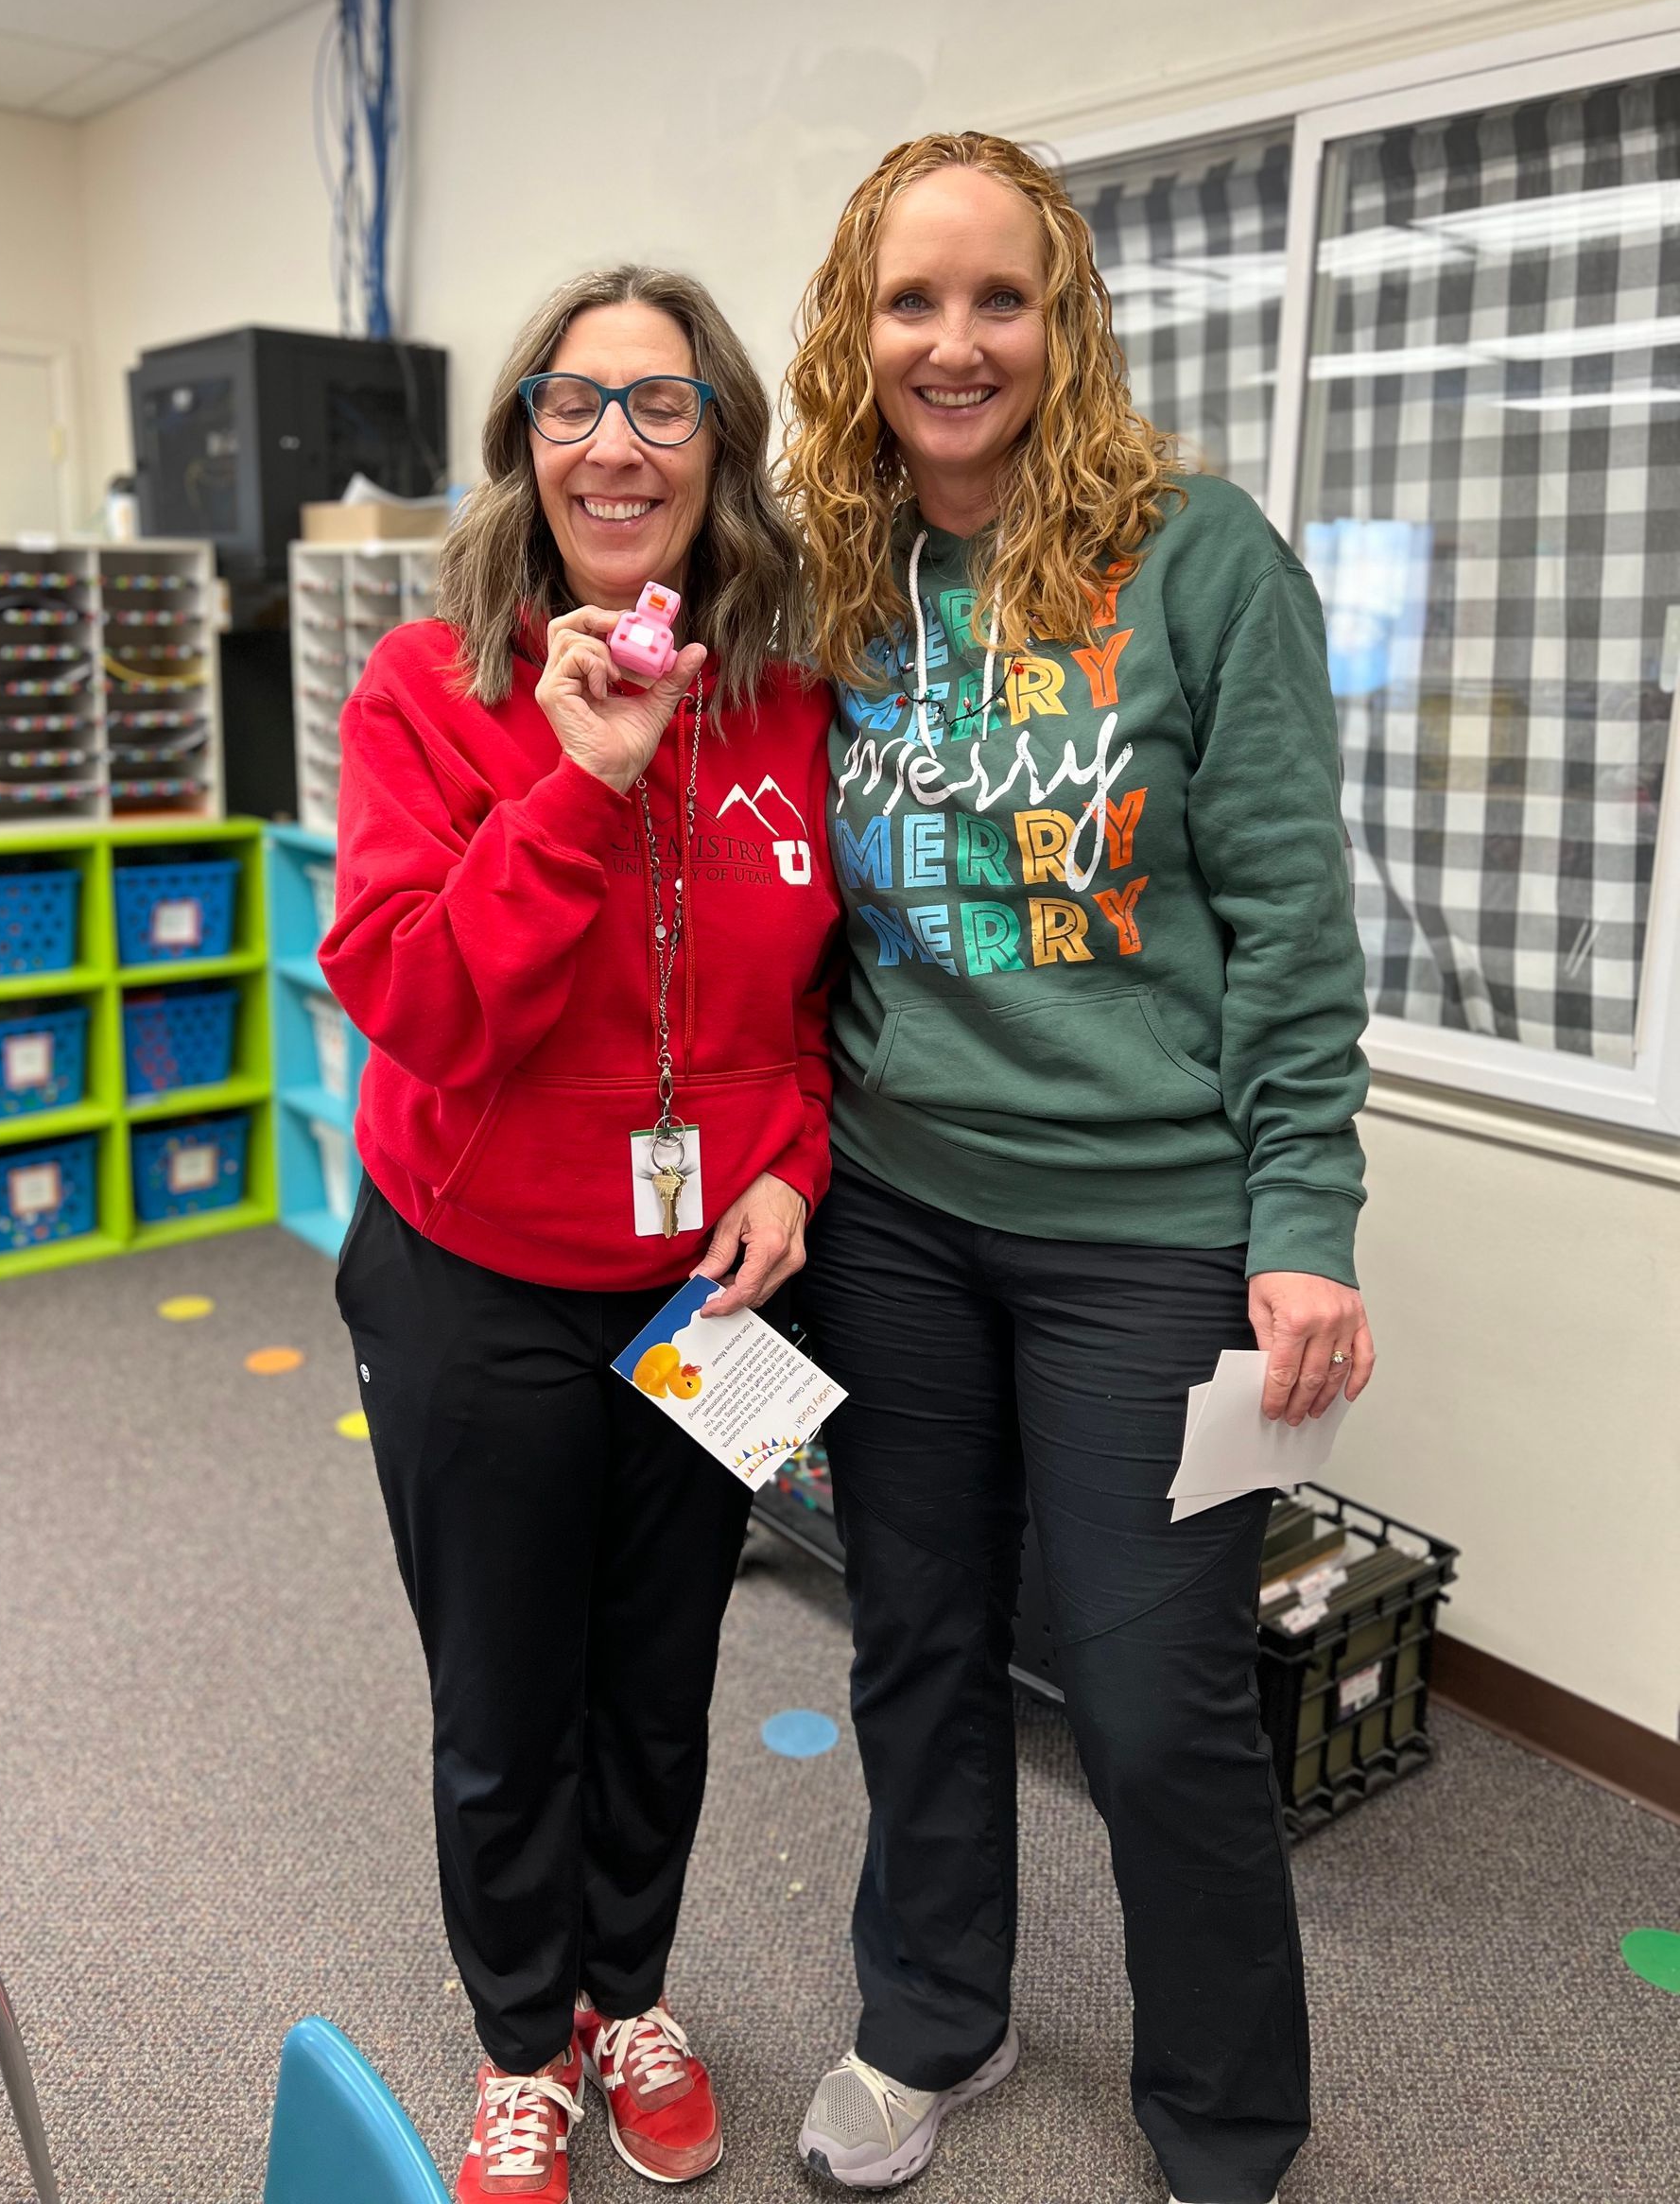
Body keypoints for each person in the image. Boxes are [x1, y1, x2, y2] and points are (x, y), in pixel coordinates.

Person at [779, 132, 1375, 2204]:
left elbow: (1295, 925)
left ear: (1067, 319)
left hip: (1151, 1237)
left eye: (999, 297)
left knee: (1151, 1696)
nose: (956, 342)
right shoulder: (830, 582)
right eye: (913, 299)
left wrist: (1302, 1225)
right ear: (857, 327)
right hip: (893, 1219)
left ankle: (1225, 2118)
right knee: (914, 1637)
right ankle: (935, 2005)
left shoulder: (1203, 558)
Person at [320, 265, 839, 2202]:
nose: (615, 441)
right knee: (507, 1690)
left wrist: (792, 1160)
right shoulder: (429, 693)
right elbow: (428, 1007)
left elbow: (802, 1010)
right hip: (474, 1280)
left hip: (700, 1294)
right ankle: (521, 2031)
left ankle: (631, 1990)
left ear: (723, 449)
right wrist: (582, 774)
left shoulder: (788, 700)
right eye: (572, 402)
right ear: (522, 446)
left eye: (663, 403)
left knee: (660, 1676)